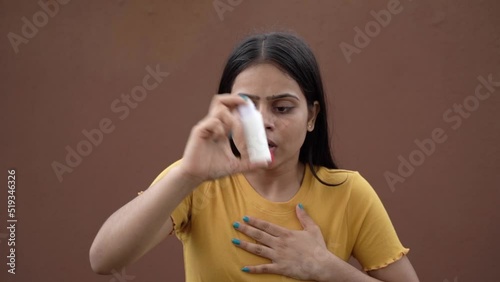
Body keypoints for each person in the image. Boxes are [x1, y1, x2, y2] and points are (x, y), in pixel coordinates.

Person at [90, 31, 420, 281]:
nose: (264, 122)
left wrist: (327, 268)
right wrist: (186, 175)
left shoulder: (348, 193)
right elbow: (103, 260)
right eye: (246, 107)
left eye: (282, 108)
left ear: (311, 116)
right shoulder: (196, 181)